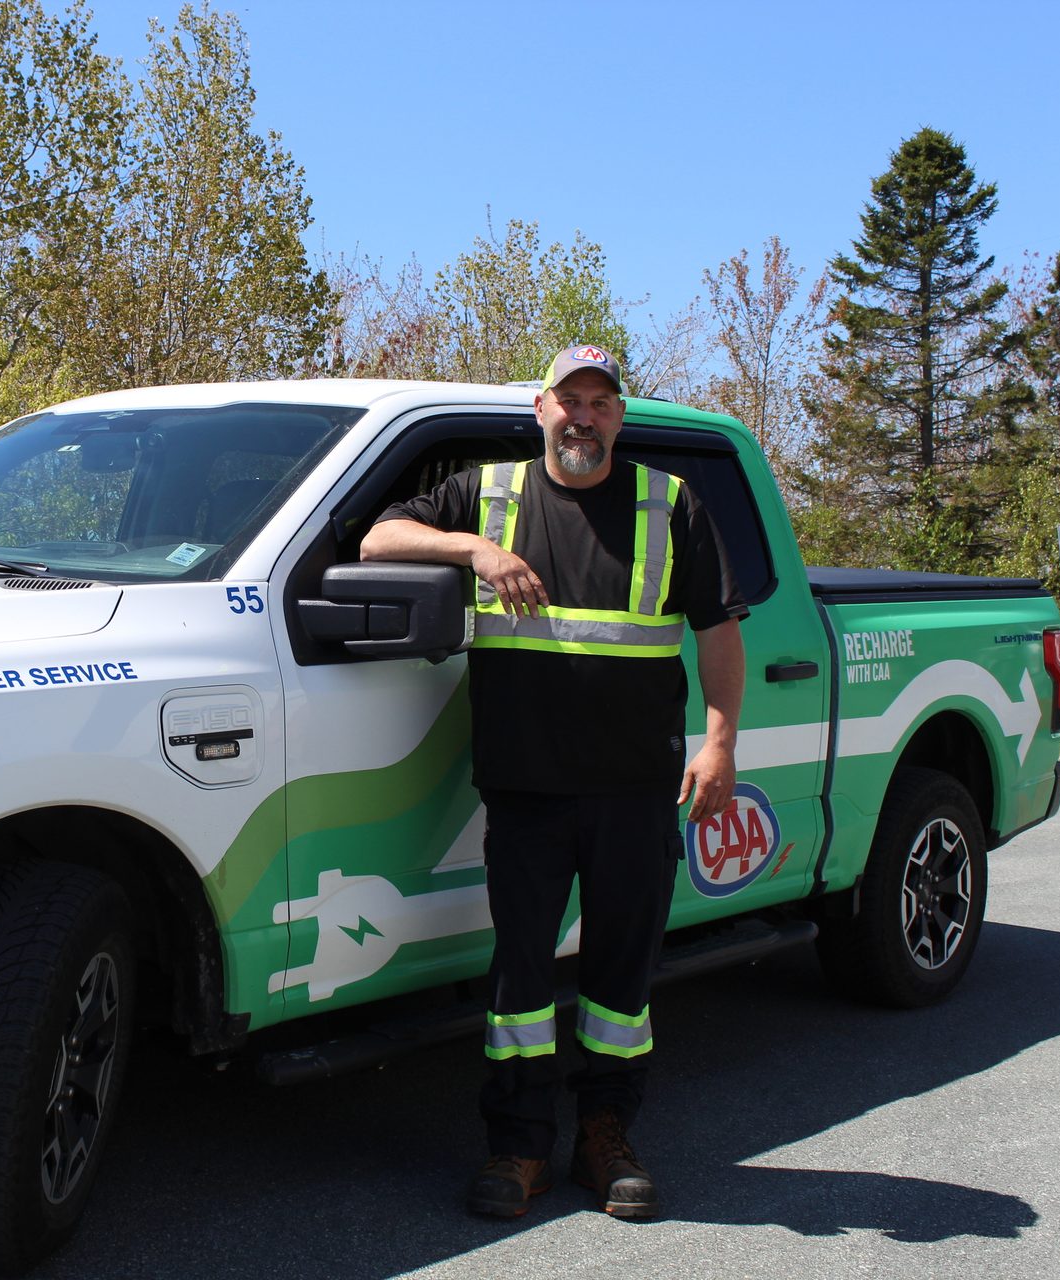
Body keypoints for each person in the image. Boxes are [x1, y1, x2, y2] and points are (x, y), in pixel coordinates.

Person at [359, 344, 746, 1221]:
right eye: (569, 399)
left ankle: (605, 1139)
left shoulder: (669, 501)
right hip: (526, 793)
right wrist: (474, 553)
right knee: (521, 982)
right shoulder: (488, 494)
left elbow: (718, 630)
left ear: (620, 416)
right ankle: (519, 1147)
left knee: (620, 981)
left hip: (635, 791)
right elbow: (380, 535)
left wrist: (720, 742)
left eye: (601, 403)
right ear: (539, 408)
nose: (584, 416)